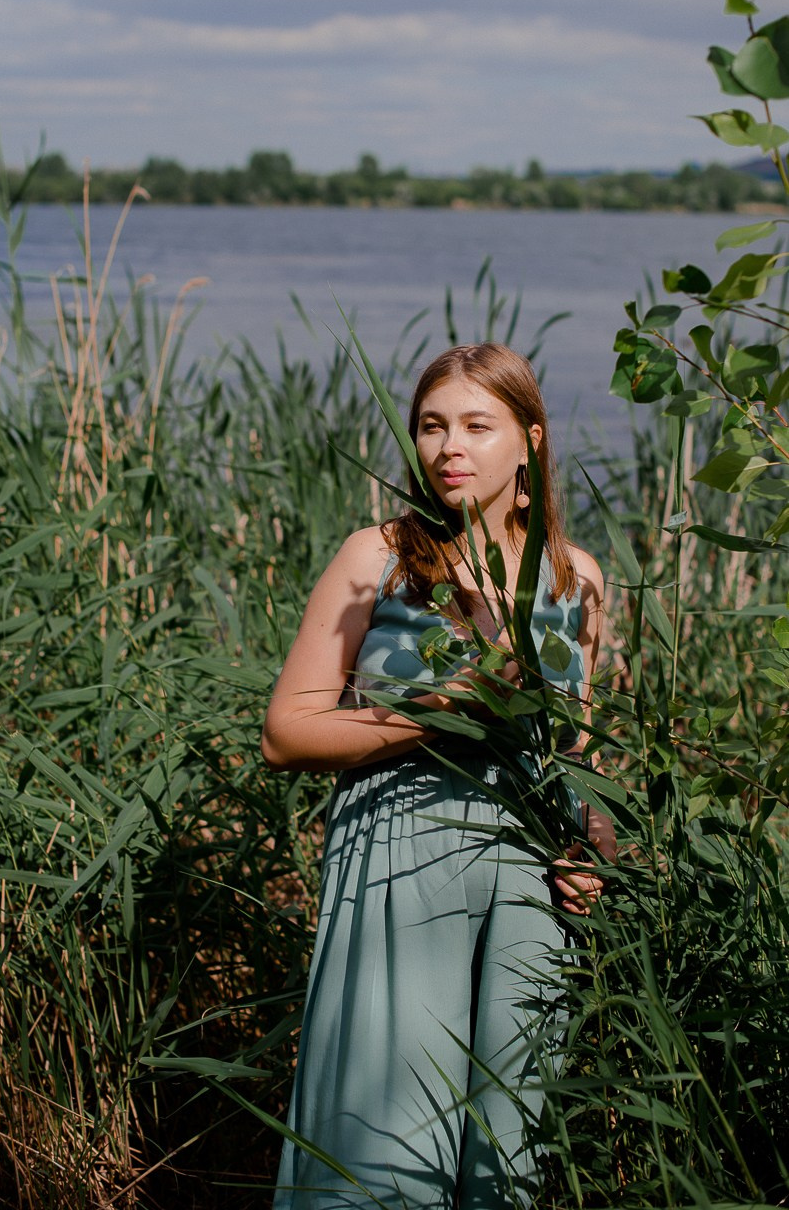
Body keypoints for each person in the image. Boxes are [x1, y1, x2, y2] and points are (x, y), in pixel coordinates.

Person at [262, 342, 616, 1210]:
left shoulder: (577, 581)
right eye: (430, 425)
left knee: (510, 1143)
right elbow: (286, 732)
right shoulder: (377, 557)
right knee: (389, 1142)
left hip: (532, 873)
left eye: (475, 425)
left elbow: (580, 757)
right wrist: (448, 702)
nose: (448, 446)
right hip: (400, 852)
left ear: (528, 441)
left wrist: (590, 844)